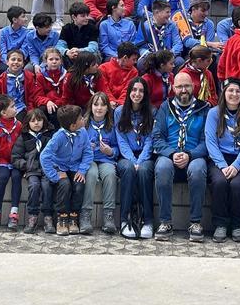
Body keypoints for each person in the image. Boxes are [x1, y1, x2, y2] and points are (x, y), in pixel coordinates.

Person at [151, 73, 210, 241]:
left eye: (187, 86)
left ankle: (196, 222)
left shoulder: (204, 108)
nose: (183, 90)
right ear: (173, 88)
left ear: (193, 86)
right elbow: (157, 137)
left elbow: (208, 141)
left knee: (198, 169)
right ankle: (166, 222)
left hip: (194, 154)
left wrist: (190, 154)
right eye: (179, 87)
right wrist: (172, 153)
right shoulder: (165, 107)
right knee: (162, 167)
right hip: (170, 153)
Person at [204, 79, 240, 242]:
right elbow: (211, 141)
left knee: (237, 185)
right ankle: (220, 223)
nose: (234, 94)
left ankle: (237, 224)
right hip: (219, 158)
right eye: (230, 91)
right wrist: (222, 165)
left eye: (238, 91)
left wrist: (236, 165)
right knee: (219, 182)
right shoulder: (214, 113)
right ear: (224, 93)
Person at [41, 104, 92, 236]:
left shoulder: (83, 132)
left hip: (75, 166)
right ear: (73, 125)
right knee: (64, 185)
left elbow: (88, 152)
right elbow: (44, 156)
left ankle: (73, 217)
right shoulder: (59, 136)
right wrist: (54, 175)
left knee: (79, 184)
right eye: (81, 118)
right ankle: (62, 217)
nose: (83, 120)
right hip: (60, 166)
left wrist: (82, 170)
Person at [115, 78, 155, 238]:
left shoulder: (152, 112)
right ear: (129, 92)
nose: (137, 94)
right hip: (126, 156)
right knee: (128, 169)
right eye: (134, 90)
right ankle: (125, 220)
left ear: (145, 94)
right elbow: (121, 140)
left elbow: (151, 140)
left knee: (145, 171)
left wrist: (140, 161)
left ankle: (148, 221)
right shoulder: (119, 112)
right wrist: (133, 161)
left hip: (145, 156)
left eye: (141, 91)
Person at [80, 92, 118, 234]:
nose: (99, 108)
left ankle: (108, 215)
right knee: (90, 174)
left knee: (110, 174)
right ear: (91, 106)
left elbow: (117, 147)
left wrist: (110, 152)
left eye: (103, 105)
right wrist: (85, 148)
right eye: (96, 104)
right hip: (88, 160)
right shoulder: (84, 124)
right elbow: (76, 145)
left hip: (105, 159)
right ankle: (86, 215)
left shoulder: (112, 125)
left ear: (108, 108)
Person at [13, 109, 51, 233]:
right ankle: (32, 216)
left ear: (44, 121)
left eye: (39, 120)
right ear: (27, 123)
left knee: (47, 187)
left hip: (47, 169)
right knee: (34, 186)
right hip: (32, 170)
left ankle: (48, 216)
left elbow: (56, 153)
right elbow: (15, 157)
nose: (36, 123)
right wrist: (26, 165)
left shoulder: (49, 136)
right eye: (33, 121)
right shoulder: (23, 137)